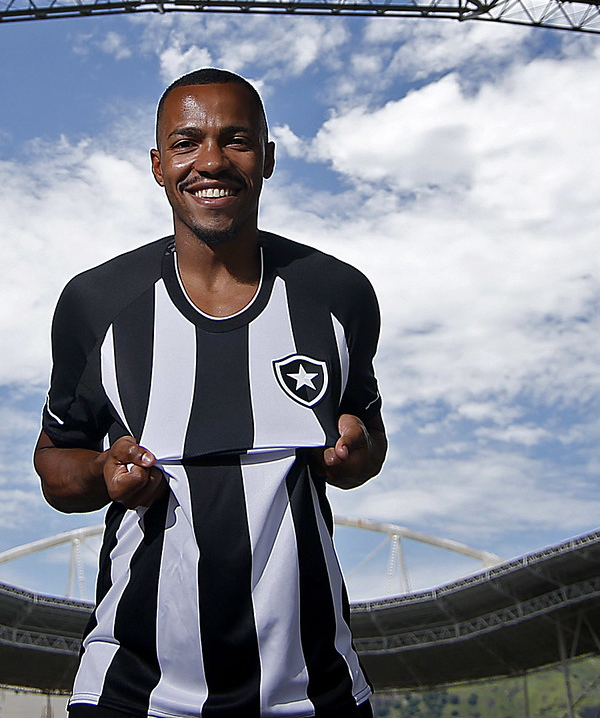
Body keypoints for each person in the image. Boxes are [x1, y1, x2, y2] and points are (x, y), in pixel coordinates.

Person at [35, 68, 386, 718]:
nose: (212, 160)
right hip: (135, 692)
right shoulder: (96, 304)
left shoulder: (338, 295)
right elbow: (55, 464)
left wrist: (354, 451)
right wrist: (103, 471)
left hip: (313, 690)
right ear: (158, 163)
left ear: (269, 156)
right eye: (187, 141)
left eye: (237, 139)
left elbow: (366, 436)